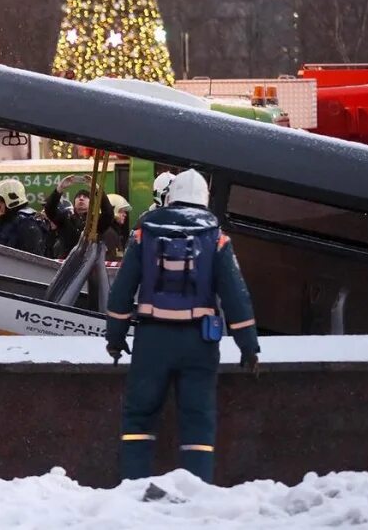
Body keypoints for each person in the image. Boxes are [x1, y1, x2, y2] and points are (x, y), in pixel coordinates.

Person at [105, 169, 260, 484]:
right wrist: (248, 346)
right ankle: (197, 489)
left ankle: (133, 488)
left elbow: (121, 292)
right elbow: (236, 296)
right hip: (199, 343)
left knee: (139, 417)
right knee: (198, 418)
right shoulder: (216, 238)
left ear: (170, 198)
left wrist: (115, 337)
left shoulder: (142, 234)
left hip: (151, 340)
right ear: (203, 199)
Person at [46, 174, 113, 256]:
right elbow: (50, 210)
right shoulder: (65, 218)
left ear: (91, 203)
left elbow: (109, 213)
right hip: (68, 262)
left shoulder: (96, 220)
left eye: (85, 197)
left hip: (89, 262)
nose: (81, 198)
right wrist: (59, 189)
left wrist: (97, 190)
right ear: (74, 202)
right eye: (78, 197)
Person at [0, 179, 47, 255]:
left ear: (10, 200)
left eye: (0, 201)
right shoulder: (2, 221)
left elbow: (33, 258)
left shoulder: (27, 222)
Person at [103, 194, 132, 261]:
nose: (125, 214)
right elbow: (112, 258)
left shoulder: (112, 230)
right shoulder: (109, 233)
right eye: (121, 211)